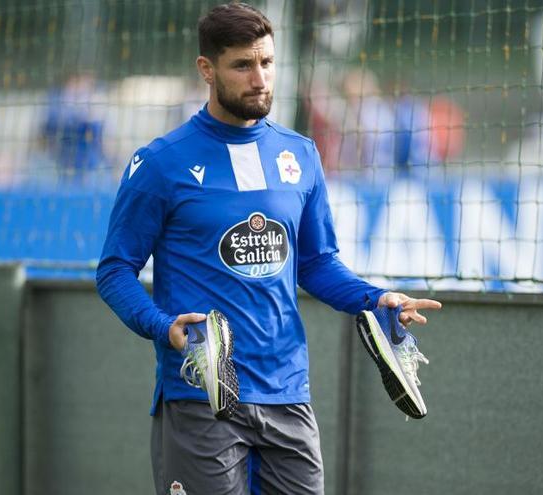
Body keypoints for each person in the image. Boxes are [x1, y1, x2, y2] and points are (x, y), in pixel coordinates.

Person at [95, 4, 441, 494]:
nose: (260, 78)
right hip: (202, 396)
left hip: (288, 395)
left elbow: (317, 263)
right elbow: (114, 271)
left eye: (267, 63)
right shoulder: (159, 163)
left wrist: (375, 298)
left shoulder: (300, 153)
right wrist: (163, 326)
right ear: (206, 70)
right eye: (242, 65)